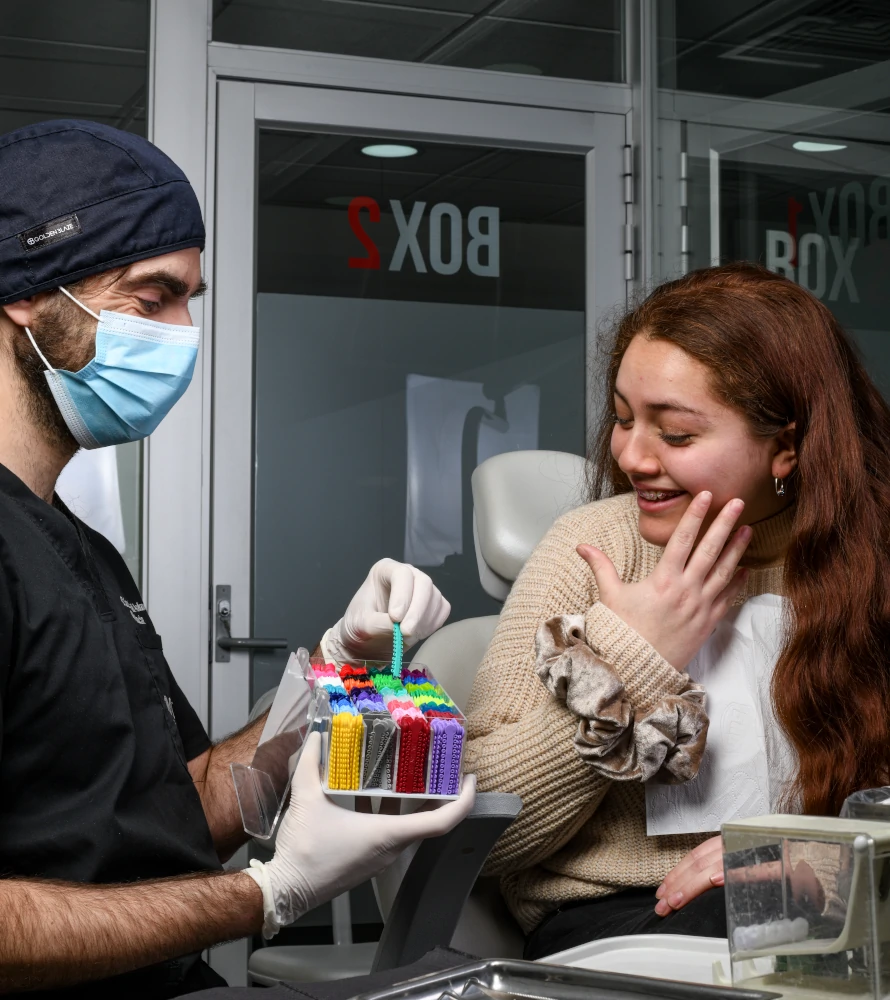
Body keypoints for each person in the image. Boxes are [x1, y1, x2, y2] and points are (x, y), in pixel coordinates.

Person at [0, 119, 473, 997]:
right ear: (28, 295)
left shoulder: (82, 552)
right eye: (152, 299)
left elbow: (174, 809)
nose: (183, 334)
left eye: (191, 300)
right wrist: (268, 892)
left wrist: (333, 673)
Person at [464, 262, 890, 959]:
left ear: (785, 447)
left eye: (678, 434)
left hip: (833, 897)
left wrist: (807, 856)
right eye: (623, 418)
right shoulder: (589, 547)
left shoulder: (871, 562)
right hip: (622, 918)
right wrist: (634, 653)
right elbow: (483, 837)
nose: (632, 455)